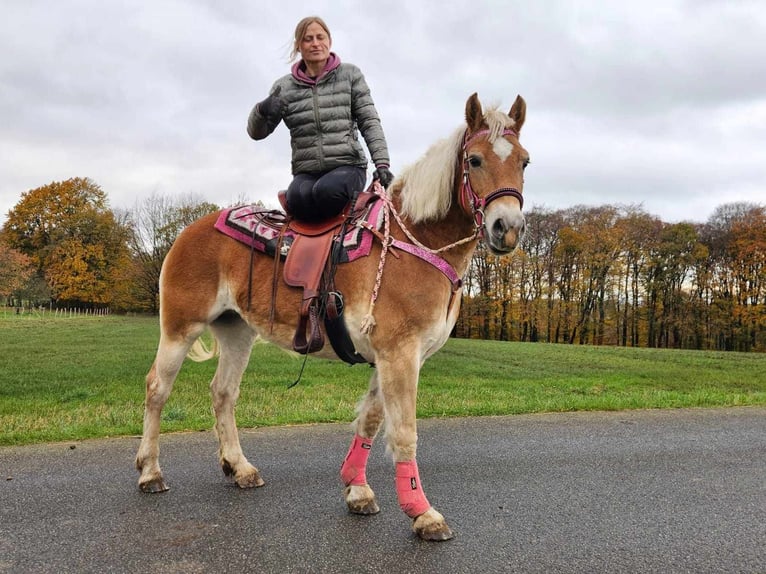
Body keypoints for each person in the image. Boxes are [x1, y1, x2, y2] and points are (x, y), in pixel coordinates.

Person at [247, 16, 394, 222]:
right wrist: (261, 111)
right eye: (308, 39)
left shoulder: (350, 75)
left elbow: (369, 121)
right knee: (297, 198)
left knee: (326, 192)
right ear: (299, 45)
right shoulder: (284, 88)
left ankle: (344, 249)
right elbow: (257, 134)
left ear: (329, 41)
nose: (315, 43)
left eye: (320, 37)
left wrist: (382, 164)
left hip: (347, 166)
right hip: (307, 171)